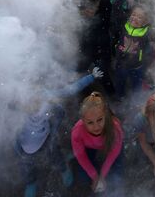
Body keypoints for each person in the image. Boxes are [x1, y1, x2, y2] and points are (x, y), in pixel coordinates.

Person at [15, 68, 104, 197]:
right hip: (25, 146)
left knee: (55, 156)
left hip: (46, 139)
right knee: (27, 166)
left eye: (36, 93)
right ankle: (31, 183)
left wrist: (91, 77)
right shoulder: (18, 106)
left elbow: (70, 90)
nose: (34, 101)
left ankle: (63, 169)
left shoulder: (45, 96)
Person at [72, 92, 123, 195]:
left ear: (105, 115)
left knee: (117, 175)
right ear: (83, 121)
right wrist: (95, 176)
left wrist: (102, 175)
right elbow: (81, 156)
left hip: (108, 146)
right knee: (83, 177)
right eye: (90, 122)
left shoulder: (115, 128)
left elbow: (113, 154)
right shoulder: (77, 132)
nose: (96, 127)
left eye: (100, 120)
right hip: (90, 148)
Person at [112, 6, 153, 99]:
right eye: (133, 14)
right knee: (119, 81)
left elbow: (150, 49)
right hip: (121, 63)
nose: (135, 18)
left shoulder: (147, 33)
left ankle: (135, 101)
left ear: (145, 22)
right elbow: (116, 9)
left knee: (136, 85)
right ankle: (120, 97)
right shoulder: (124, 25)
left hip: (137, 66)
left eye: (139, 17)